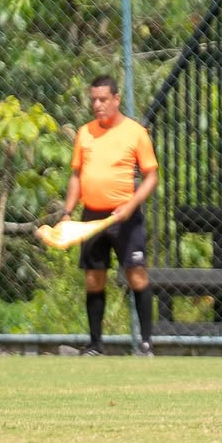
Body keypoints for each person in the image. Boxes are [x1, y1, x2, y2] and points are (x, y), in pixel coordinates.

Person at [61, 75, 159, 357]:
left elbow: (152, 176)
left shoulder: (135, 133)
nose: (97, 105)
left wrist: (130, 205)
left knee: (136, 275)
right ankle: (95, 345)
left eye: (103, 99)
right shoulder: (85, 133)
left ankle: (146, 344)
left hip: (125, 216)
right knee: (94, 278)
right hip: (92, 217)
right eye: (93, 99)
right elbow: (76, 175)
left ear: (116, 99)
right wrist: (67, 213)